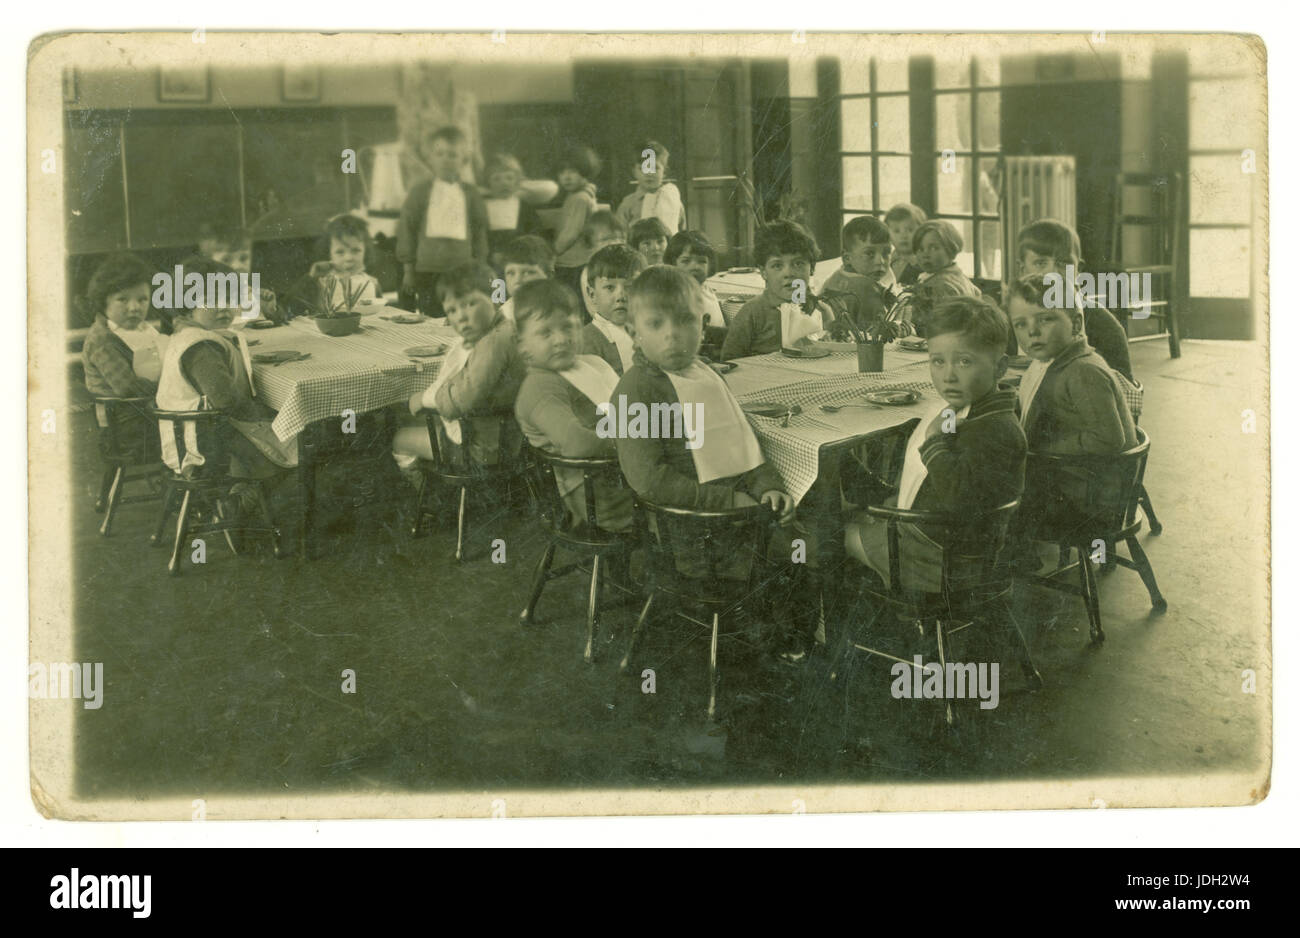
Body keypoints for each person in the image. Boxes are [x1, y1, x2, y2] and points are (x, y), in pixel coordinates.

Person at [613, 266, 809, 660]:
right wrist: (731, 504)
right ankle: (767, 638)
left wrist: (767, 485)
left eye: (685, 320)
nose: (672, 334)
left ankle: (780, 635)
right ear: (635, 332)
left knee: (808, 540)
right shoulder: (636, 389)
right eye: (655, 324)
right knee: (793, 550)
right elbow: (648, 481)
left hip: (732, 514)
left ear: (703, 325)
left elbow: (742, 444)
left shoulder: (704, 374)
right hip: (689, 528)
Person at [844, 295, 1026, 593]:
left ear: (1001, 367)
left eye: (964, 361)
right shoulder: (980, 410)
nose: (948, 375)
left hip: (942, 561)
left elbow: (958, 496)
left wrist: (934, 440)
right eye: (938, 361)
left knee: (832, 534)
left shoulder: (994, 429)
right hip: (951, 546)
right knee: (860, 509)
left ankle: (833, 627)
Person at [154, 258, 297, 481]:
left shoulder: (186, 334)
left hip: (195, 437)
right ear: (187, 308)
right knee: (299, 439)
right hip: (208, 448)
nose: (223, 308)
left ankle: (248, 496)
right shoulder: (201, 346)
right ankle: (253, 498)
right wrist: (266, 415)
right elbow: (226, 399)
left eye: (229, 299)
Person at [513, 278, 634, 533]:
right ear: (522, 346)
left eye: (568, 328)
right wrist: (641, 443)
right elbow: (578, 444)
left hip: (622, 476)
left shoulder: (591, 363)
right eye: (545, 332)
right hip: (599, 495)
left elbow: (630, 409)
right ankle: (692, 566)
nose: (560, 340)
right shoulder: (539, 386)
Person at [392, 262, 526, 475]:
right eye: (452, 310)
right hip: (504, 438)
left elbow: (461, 399)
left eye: (470, 304)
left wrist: (425, 398)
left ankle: (433, 495)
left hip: (482, 449)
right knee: (410, 417)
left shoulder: (493, 344)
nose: (461, 317)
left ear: (494, 297)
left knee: (399, 438)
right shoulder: (503, 330)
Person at [1016, 219, 1134, 384]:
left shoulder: (1104, 325)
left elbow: (1127, 395)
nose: (1052, 273)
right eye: (1040, 263)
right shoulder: (1007, 321)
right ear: (1022, 270)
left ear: (1078, 269)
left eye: (1064, 263)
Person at [397, 126, 490, 317]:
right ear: (430, 158)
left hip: (462, 269)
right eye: (439, 154)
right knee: (431, 316)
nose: (445, 159)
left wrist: (479, 264)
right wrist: (408, 269)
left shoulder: (471, 193)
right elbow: (407, 227)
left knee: (462, 314)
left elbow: (480, 230)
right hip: (427, 269)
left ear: (464, 161)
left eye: (452, 155)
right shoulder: (420, 191)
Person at [720, 220, 825, 359]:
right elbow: (729, 359)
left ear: (811, 268)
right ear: (763, 272)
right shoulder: (752, 312)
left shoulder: (820, 309)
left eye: (798, 263)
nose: (788, 273)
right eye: (777, 266)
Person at [81, 253, 169, 399]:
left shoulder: (145, 329)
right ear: (104, 301)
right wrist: (173, 384)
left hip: (149, 408)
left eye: (142, 299)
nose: (134, 307)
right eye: (122, 299)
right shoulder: (102, 339)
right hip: (122, 415)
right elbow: (128, 388)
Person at [821, 215, 913, 335]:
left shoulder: (838, 276)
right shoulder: (867, 289)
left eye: (886, 253)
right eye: (869, 254)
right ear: (847, 258)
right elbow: (878, 335)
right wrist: (903, 329)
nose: (880, 261)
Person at [287, 214, 383, 317]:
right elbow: (292, 306)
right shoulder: (321, 282)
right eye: (340, 252)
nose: (349, 258)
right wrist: (311, 277)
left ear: (366, 251)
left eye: (356, 251)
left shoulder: (372, 283)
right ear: (329, 253)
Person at [908, 219, 982, 335]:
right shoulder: (960, 277)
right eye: (920, 249)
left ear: (951, 250)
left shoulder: (940, 285)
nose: (925, 254)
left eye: (934, 248)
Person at [581, 244, 645, 375]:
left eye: (630, 286)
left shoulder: (647, 330)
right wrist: (625, 396)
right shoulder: (587, 341)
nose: (621, 296)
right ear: (592, 294)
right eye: (610, 287)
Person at [552, 146, 603, 299]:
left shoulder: (579, 198)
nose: (566, 177)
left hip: (573, 263)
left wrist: (552, 252)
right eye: (562, 172)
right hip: (580, 260)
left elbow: (571, 233)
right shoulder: (583, 195)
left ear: (585, 172)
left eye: (572, 172)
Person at [482, 152, 543, 270]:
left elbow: (535, 235)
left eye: (509, 178)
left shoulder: (524, 208)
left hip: (520, 261)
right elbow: (478, 236)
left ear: (517, 181)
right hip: (491, 263)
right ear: (488, 183)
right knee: (497, 286)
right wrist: (490, 255)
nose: (504, 183)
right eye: (496, 179)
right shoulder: (482, 207)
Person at [615, 139, 685, 234]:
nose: (649, 173)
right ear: (634, 172)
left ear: (664, 172)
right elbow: (620, 236)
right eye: (643, 168)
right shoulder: (628, 204)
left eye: (655, 168)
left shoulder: (673, 201)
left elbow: (682, 234)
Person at [665, 230, 723, 328]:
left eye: (702, 261)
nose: (695, 267)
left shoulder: (708, 291)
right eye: (686, 261)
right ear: (673, 263)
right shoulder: (675, 297)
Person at [577, 210, 627, 320]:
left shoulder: (630, 264)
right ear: (590, 246)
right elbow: (595, 310)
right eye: (606, 240)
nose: (615, 243)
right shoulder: (589, 273)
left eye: (620, 238)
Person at [497, 234, 554, 323]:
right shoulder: (504, 314)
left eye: (528, 273)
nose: (518, 280)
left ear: (549, 276)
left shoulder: (558, 308)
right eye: (511, 273)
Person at [884, 202, 927, 286]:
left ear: (921, 232)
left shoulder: (924, 263)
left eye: (910, 230)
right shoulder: (888, 259)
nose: (903, 236)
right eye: (897, 231)